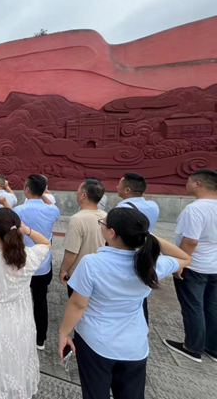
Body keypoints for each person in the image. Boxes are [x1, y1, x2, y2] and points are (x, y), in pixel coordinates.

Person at [58, 207, 190, 399]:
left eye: (103, 223)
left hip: (95, 340)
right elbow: (185, 258)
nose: (101, 226)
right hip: (134, 344)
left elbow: (78, 305)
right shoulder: (152, 264)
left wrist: (63, 333)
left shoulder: (92, 263)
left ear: (112, 233)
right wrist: (146, 235)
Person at [0, 208, 51, 399]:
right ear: (17, 228)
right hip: (21, 316)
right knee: (19, 359)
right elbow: (46, 243)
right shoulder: (29, 256)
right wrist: (26, 229)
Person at [164, 169, 217, 363]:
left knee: (193, 306)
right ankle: (212, 347)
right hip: (214, 266)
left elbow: (191, 241)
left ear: (198, 184)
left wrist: (180, 263)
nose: (186, 184)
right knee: (212, 307)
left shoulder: (195, 209)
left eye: (188, 181)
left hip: (194, 266)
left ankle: (193, 347)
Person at [10, 174, 60, 350]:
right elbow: (50, 204)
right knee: (40, 301)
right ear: (44, 190)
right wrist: (43, 193)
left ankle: (18, 335)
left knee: (17, 301)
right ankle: (40, 339)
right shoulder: (53, 210)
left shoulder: (18, 211)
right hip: (42, 263)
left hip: (22, 262)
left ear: (26, 189)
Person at [59, 179, 107, 297]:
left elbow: (72, 252)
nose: (76, 193)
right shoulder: (106, 216)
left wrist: (63, 270)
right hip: (100, 271)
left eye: (78, 190)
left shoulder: (77, 219)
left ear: (83, 195)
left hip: (79, 274)